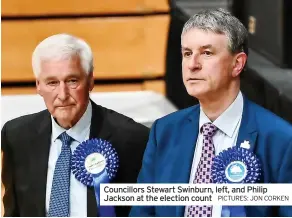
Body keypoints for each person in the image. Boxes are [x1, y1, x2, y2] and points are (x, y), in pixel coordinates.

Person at [130, 8, 292, 217]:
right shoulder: (164, 132)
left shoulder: (281, 140)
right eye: (187, 53)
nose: (192, 65)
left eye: (207, 53)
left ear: (238, 64)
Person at [1, 33, 150, 217]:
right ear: (38, 85)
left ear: (90, 81)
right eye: (52, 83)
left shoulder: (133, 139)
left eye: (72, 81)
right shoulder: (16, 136)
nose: (62, 94)